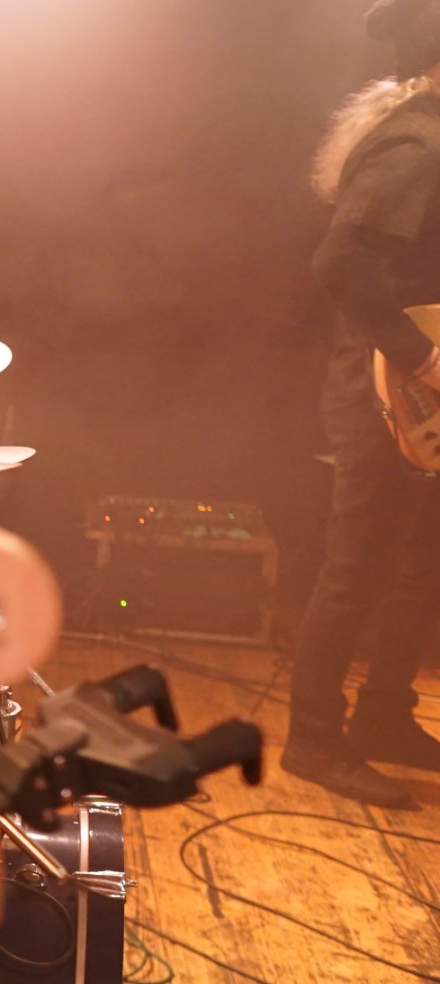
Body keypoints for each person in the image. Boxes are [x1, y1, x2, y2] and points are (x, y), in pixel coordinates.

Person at [284, 0, 440, 807]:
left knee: (418, 562)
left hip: (409, 385)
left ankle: (382, 714)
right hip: (387, 387)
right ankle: (313, 738)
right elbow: (341, 261)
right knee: (357, 568)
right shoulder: (419, 141)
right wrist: (424, 357)